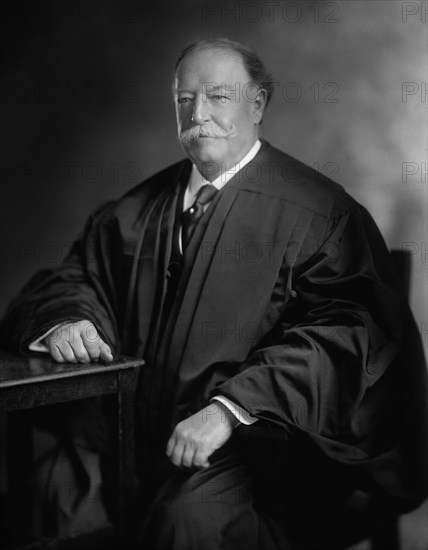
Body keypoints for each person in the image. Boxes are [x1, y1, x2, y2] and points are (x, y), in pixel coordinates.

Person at [1, 38, 427, 549]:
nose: (197, 113)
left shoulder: (320, 214)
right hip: (133, 436)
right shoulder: (136, 210)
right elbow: (74, 278)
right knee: (52, 496)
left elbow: (350, 332)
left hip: (256, 449)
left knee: (192, 524)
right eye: (184, 99)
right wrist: (70, 320)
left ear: (257, 105)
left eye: (218, 96)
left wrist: (232, 409)